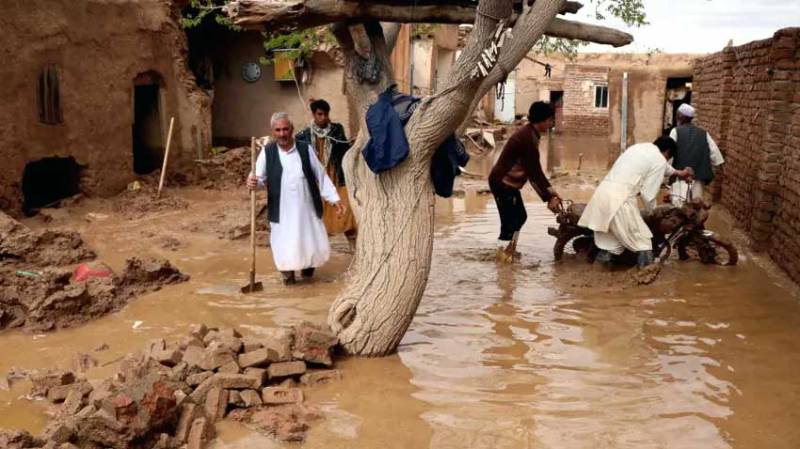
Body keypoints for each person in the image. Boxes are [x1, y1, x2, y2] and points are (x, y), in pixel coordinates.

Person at [247, 112, 344, 285]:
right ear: (273, 132)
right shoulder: (267, 152)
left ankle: (308, 279)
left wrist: (334, 199)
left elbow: (320, 176)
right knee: (285, 247)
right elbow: (258, 179)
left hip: (306, 210)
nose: (282, 134)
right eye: (278, 130)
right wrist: (253, 182)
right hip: (282, 212)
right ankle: (288, 280)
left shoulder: (305, 148)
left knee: (309, 246)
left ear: (291, 130)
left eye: (285, 129)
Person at [578, 137, 694, 268]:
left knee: (612, 245)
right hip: (620, 201)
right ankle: (644, 280)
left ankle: (596, 276)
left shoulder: (639, 148)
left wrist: (680, 173)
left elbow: (664, 167)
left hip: (602, 195)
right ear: (667, 152)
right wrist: (654, 213)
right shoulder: (659, 160)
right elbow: (648, 195)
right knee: (644, 243)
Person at [489, 101, 562, 260]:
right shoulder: (527, 139)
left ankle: (509, 251)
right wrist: (549, 197)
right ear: (541, 120)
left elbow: (534, 173)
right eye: (550, 120)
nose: (551, 124)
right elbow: (535, 173)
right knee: (511, 220)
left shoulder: (531, 134)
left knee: (520, 217)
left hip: (507, 183)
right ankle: (502, 257)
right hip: (503, 183)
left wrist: (551, 194)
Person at [295, 99, 358, 247]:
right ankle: (316, 252)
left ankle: (355, 251)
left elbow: (344, 151)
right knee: (316, 217)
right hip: (315, 181)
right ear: (313, 114)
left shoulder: (336, 130)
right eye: (320, 114)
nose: (323, 117)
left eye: (325, 114)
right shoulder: (303, 136)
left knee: (345, 213)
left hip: (336, 177)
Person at [669, 103, 725, 206]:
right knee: (696, 205)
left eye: (677, 115)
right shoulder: (703, 133)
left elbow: (670, 153)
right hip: (698, 176)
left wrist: (668, 172)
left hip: (681, 175)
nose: (676, 117)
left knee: (678, 206)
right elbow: (715, 153)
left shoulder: (675, 131)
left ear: (681, 117)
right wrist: (720, 167)